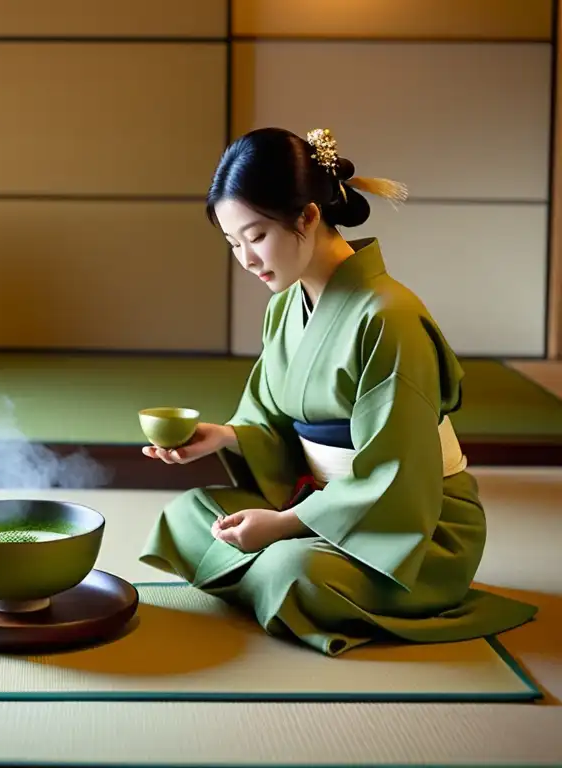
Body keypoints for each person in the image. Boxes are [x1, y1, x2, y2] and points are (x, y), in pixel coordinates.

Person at [138, 126, 538, 656]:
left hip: (416, 531)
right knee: (187, 516)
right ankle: (276, 582)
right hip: (318, 502)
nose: (247, 260)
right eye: (234, 243)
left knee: (290, 569)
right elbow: (273, 418)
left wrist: (283, 526)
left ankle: (278, 580)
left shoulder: (389, 318)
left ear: (307, 216)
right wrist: (227, 436)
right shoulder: (284, 305)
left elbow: (398, 474)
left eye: (256, 236)